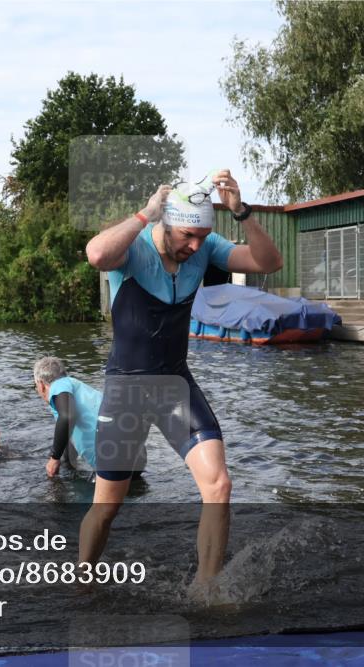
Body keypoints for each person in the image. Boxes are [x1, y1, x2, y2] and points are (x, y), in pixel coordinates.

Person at [80, 169, 283, 589]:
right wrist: (144, 214)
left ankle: (206, 590)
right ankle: (82, 579)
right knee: (106, 507)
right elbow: (97, 255)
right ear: (164, 223)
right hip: (127, 392)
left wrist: (242, 213)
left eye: (202, 236)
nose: (195, 246)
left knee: (219, 484)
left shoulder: (205, 247)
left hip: (175, 385)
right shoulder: (134, 249)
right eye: (187, 236)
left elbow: (269, 262)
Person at [33, 356, 121, 478]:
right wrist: (66, 464)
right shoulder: (76, 386)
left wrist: (54, 458)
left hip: (110, 462)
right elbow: (68, 433)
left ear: (41, 385)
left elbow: (68, 417)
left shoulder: (58, 386)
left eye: (35, 386)